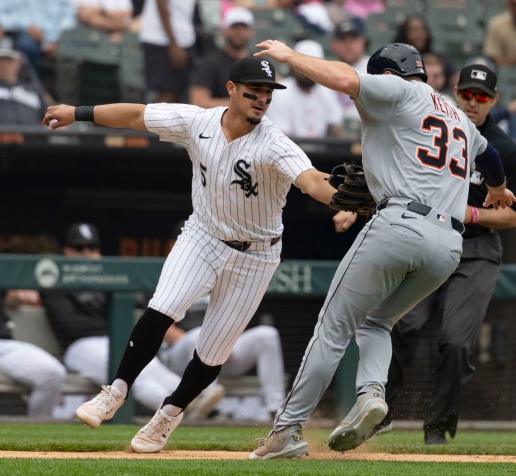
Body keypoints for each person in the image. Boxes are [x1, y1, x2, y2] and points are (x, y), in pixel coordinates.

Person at [42, 56, 341, 453]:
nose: (262, 100)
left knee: (214, 350)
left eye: (268, 94)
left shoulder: (274, 143)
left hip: (257, 255)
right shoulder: (197, 121)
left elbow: (312, 182)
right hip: (203, 235)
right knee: (162, 307)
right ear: (231, 89)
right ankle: (114, 391)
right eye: (254, 91)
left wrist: (343, 199)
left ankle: (167, 416)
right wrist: (77, 113)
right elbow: (135, 115)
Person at [248, 40, 516, 459]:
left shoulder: (399, 89)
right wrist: (498, 189)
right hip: (448, 244)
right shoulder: (456, 113)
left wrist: (288, 56)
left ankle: (285, 431)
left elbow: (341, 78)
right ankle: (371, 393)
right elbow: (492, 155)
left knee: (332, 327)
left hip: (401, 225)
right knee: (376, 323)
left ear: (388, 75)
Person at [362, 64, 516, 445]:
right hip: (429, 235)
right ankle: (377, 412)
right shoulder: (432, 127)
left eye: (482, 96)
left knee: (455, 341)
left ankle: (437, 428)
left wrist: (469, 212)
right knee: (402, 324)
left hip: (477, 248)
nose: (472, 101)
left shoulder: (503, 149)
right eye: (467, 93)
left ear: (494, 101)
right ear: (455, 92)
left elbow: (513, 215)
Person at [38, 222, 222, 416]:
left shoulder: (106, 279)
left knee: (150, 369)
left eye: (92, 248)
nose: (86, 253)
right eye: (79, 248)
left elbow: (137, 302)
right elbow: (70, 326)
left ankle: (198, 401)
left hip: (112, 341)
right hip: (79, 347)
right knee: (134, 380)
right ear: (66, 251)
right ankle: (184, 410)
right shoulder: (57, 279)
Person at [0, 205, 67, 417]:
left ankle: (36, 436)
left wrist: (20, 296)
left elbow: (7, 298)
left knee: (52, 373)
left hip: (0, 342)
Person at [162, 293, 286, 420]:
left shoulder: (227, 282)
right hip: (183, 353)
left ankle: (275, 409)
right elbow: (165, 327)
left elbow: (235, 321)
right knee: (200, 335)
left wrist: (224, 346)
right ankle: (211, 405)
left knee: (267, 334)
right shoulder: (181, 284)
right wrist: (209, 346)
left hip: (222, 350)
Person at [265, 39, 345, 138]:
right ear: (292, 66)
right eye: (303, 66)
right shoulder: (281, 92)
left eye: (314, 66)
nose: (308, 72)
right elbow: (280, 139)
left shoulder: (327, 92)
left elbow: (336, 127)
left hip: (323, 151)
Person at [0, 0, 76, 78]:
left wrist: (53, 39)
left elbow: (69, 16)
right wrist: (25, 26)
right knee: (26, 46)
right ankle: (33, 90)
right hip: (19, 35)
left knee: (75, 49)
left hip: (58, 37)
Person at [188, 6, 255, 108]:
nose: (238, 32)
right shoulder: (211, 62)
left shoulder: (257, 62)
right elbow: (198, 101)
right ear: (224, 30)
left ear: (251, 32)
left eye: (243, 27)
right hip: (218, 122)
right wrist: (241, 103)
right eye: (233, 27)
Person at [0, 38, 47, 125]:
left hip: (33, 137)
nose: (3, 64)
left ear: (18, 62)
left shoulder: (33, 89)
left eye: (9, 59)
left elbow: (52, 120)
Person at [138, 0, 198, 103]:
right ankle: (144, 118)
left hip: (184, 39)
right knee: (166, 95)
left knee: (177, 95)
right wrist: (173, 43)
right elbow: (161, 2)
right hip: (161, 39)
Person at [392, 15, 457, 89]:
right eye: (413, 30)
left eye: (422, 29)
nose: (419, 34)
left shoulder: (439, 58)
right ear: (404, 34)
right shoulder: (396, 60)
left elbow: (454, 78)